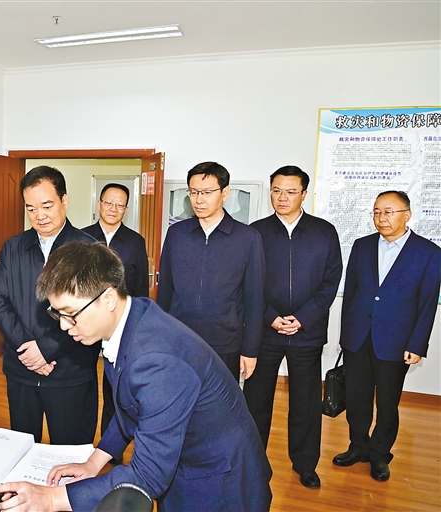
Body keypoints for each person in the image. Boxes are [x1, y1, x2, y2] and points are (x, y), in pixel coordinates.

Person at [0, 242, 273, 512]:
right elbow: (131, 408)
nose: (65, 326)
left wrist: (51, 498)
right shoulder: (132, 317)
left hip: (219, 480)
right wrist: (94, 462)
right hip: (182, 463)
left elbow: (148, 475)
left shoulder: (157, 360)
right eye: (58, 315)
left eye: (70, 314)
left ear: (108, 298)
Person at [243, 166, 342, 489]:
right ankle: (253, 462)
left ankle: (305, 464)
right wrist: (270, 317)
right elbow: (248, 282)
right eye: (276, 190)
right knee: (256, 401)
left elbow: (330, 281)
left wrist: (304, 318)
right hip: (265, 331)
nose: (282, 197)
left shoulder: (324, 232)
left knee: (306, 402)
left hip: (307, 332)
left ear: (304, 194)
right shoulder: (255, 233)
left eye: (290, 191)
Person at [333, 190, 440, 482]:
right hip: (358, 337)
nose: (382, 218)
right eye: (377, 212)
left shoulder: (428, 253)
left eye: (389, 212)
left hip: (397, 341)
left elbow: (427, 303)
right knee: (356, 398)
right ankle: (358, 446)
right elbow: (352, 293)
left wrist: (417, 344)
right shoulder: (362, 246)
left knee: (387, 402)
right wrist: (345, 336)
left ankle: (380, 454)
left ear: (407, 215)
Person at [0, 166, 98, 445]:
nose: (39, 215)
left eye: (47, 206)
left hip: (69, 373)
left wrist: (46, 349)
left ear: (64, 201)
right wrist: (28, 349)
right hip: (22, 369)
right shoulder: (13, 248)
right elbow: (0, 301)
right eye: (31, 208)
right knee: (22, 448)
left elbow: (92, 313)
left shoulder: (88, 250)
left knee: (70, 453)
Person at [157, 161, 265, 381]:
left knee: (219, 400)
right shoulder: (177, 233)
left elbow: (255, 298)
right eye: (193, 192)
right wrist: (160, 336)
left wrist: (250, 350)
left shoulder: (247, 238)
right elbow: (165, 290)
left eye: (207, 192)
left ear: (225, 193)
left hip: (225, 343)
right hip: (180, 338)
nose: (199, 199)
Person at [82, 183, 148, 441]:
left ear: (126, 209)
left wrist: (137, 326)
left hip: (119, 326)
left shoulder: (135, 241)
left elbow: (140, 288)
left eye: (119, 204)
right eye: (109, 202)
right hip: (85, 322)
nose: (113, 208)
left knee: (114, 388)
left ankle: (110, 448)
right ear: (99, 204)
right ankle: (82, 441)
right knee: (84, 383)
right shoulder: (82, 237)